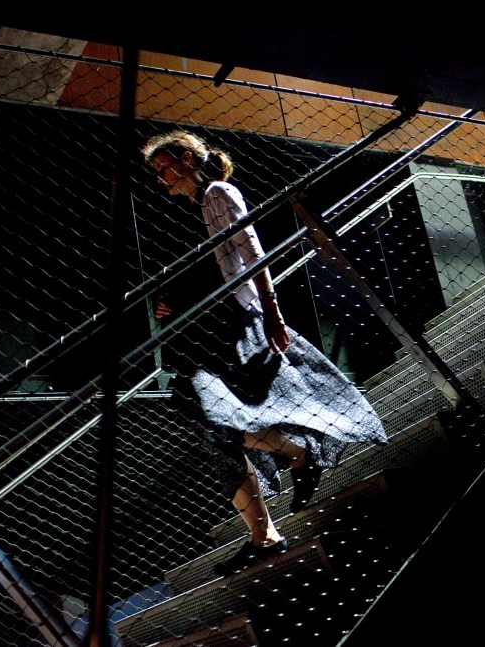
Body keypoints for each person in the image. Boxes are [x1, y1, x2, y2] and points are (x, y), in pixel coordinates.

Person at [141, 130, 388, 577]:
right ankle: (265, 532)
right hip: (214, 328)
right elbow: (214, 272)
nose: (160, 180)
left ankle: (297, 456)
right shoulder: (197, 207)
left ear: (184, 159)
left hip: (239, 325)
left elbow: (253, 254)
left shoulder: (218, 192)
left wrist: (272, 313)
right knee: (213, 432)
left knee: (220, 421)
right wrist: (174, 300)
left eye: (162, 168)